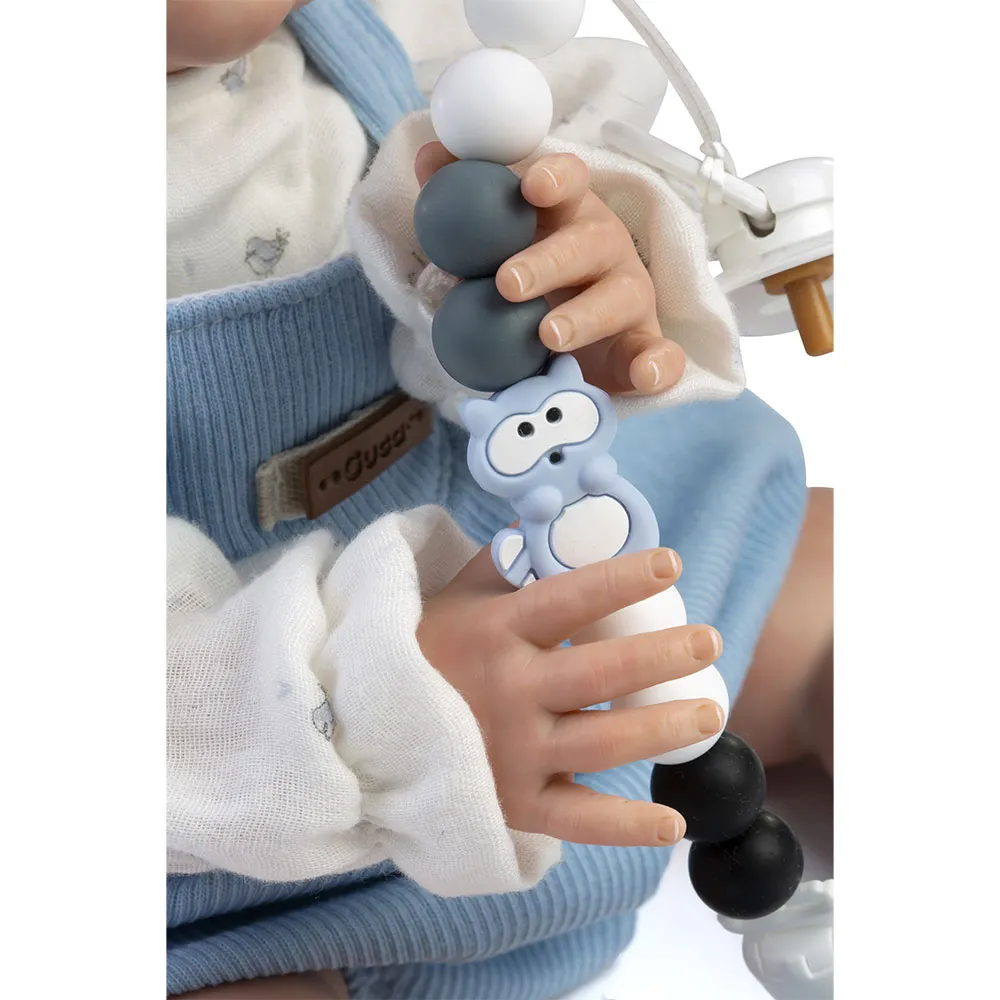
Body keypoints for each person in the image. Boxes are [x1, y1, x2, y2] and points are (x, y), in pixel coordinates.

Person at [166, 2, 832, 997]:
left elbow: (515, 189)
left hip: (505, 557)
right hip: (232, 826)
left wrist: (587, 275)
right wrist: (375, 710)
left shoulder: (367, 27)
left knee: (823, 586)